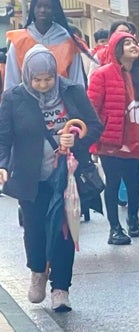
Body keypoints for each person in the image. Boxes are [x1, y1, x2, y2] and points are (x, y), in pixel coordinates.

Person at [0, 46, 102, 312]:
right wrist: (2, 165)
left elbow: (94, 125)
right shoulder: (14, 97)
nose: (44, 85)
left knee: (64, 230)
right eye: (37, 80)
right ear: (27, 76)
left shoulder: (71, 91)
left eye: (48, 79)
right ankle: (37, 272)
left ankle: (61, 288)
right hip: (30, 176)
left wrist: (77, 138)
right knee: (34, 229)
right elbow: (4, 136)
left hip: (66, 175)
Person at [87, 30, 139, 246]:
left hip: (134, 135)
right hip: (110, 138)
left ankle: (132, 219)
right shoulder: (102, 74)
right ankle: (114, 227)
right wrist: (93, 134)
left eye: (134, 43)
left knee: (133, 183)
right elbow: (92, 107)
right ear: (117, 49)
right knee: (113, 182)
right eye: (127, 43)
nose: (133, 46)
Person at [5, 0, 90, 90]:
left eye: (47, 7)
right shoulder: (18, 41)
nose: (42, 10)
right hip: (27, 103)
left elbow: (77, 81)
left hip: (61, 103)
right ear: (33, 8)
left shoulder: (69, 42)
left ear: (55, 10)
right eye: (39, 6)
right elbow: (11, 82)